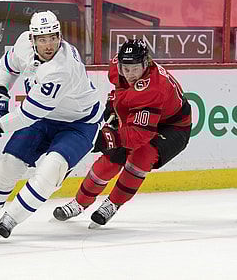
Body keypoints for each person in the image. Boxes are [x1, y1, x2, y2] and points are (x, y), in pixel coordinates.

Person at [0, 10, 104, 239]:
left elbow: (28, 114)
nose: (49, 45)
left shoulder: (62, 69)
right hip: (44, 119)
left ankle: (11, 218)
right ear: (32, 39)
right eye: (42, 39)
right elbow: (9, 66)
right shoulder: (23, 44)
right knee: (9, 162)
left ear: (60, 36)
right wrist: (0, 90)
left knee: (51, 169)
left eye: (53, 37)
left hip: (79, 124)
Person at [53, 39, 192, 228]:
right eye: (126, 69)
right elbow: (121, 89)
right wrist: (114, 104)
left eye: (135, 68)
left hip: (173, 127)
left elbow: (139, 135)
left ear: (146, 63)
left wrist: (107, 138)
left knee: (142, 154)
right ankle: (79, 202)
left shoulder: (154, 88)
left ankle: (113, 203)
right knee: (112, 158)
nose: (130, 74)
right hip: (143, 114)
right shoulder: (118, 68)